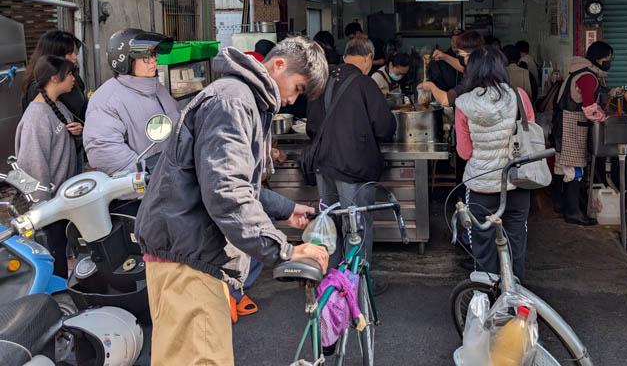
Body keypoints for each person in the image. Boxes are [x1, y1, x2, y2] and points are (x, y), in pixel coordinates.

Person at [135, 38, 329, 365]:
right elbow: (227, 193)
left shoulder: (236, 97)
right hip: (188, 259)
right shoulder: (233, 102)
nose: (291, 99)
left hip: (188, 253)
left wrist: (288, 208)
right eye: (296, 88)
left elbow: (235, 186)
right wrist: (285, 251)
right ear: (279, 64)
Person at [306, 36, 396, 292]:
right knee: (357, 226)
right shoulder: (364, 83)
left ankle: (331, 282)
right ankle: (358, 285)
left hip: (323, 166)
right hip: (353, 169)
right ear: (368, 57)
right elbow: (385, 126)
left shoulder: (321, 80)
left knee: (330, 222)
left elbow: (311, 125)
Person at [455, 46, 535, 282]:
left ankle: (485, 298)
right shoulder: (520, 96)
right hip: (517, 182)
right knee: (515, 241)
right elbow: (529, 137)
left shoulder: (463, 103)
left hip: (481, 185)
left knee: (482, 244)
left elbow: (464, 151)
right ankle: (513, 299)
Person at [83, 29, 180, 183]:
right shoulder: (106, 100)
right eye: (146, 57)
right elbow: (105, 152)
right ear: (126, 61)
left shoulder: (157, 89)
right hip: (139, 195)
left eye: (154, 55)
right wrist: (150, 173)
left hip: (171, 183)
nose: (154, 60)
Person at [14, 56, 80, 278]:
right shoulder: (36, 117)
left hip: (61, 203)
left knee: (62, 256)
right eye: (69, 73)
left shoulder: (58, 105)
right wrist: (41, 209)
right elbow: (31, 167)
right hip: (48, 208)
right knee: (54, 265)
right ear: (54, 78)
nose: (73, 78)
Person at [552, 41, 614, 226]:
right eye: (608, 58)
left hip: (564, 124)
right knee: (574, 170)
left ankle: (561, 204)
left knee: (563, 168)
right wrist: (605, 118)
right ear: (600, 59)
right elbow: (589, 106)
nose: (609, 61)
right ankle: (573, 213)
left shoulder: (579, 71)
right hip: (572, 126)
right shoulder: (588, 76)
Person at [21, 30, 87, 170]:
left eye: (76, 52)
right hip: (57, 159)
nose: (75, 58)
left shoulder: (71, 77)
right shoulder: (39, 93)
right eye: (70, 53)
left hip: (74, 148)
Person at [418, 30, 485, 106]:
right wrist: (444, 56)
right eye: (452, 40)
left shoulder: (475, 75)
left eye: (463, 55)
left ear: (470, 55)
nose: (464, 61)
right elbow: (463, 68)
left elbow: (447, 100)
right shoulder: (485, 66)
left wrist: (430, 86)